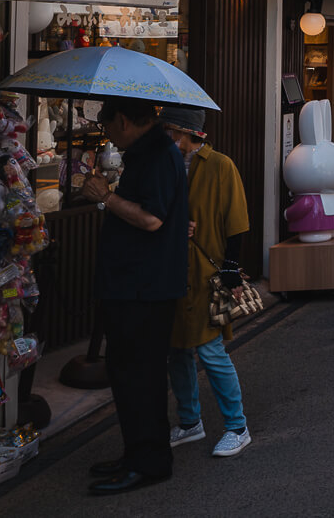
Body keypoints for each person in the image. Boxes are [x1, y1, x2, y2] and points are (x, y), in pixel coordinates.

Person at [82, 98, 189, 495]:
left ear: (124, 120)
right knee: (127, 372)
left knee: (139, 375)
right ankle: (135, 454)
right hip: (134, 284)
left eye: (107, 126)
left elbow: (152, 218)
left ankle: (149, 462)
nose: (106, 133)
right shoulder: (148, 152)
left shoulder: (159, 154)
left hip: (145, 287)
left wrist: (105, 197)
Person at [160, 107, 251, 459]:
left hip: (204, 273)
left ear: (186, 132)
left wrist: (231, 270)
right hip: (172, 271)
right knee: (177, 350)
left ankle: (237, 427)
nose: (167, 138)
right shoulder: (168, 163)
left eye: (170, 131)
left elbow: (238, 221)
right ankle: (189, 421)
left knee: (211, 352)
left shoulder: (220, 165)